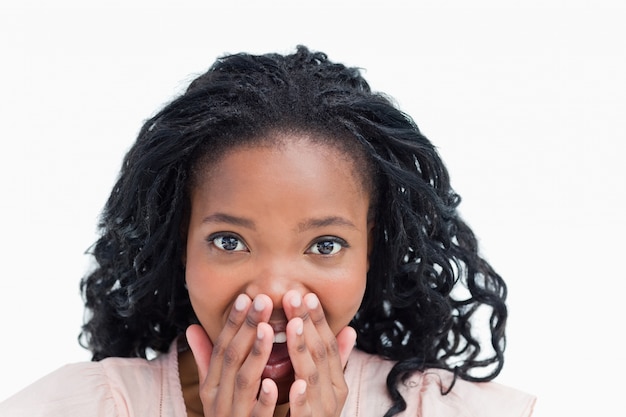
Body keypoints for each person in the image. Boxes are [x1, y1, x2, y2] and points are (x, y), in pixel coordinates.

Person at [0, 46, 535, 417]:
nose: (275, 292)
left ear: (373, 249)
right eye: (229, 241)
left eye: (325, 245)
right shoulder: (78, 405)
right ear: (180, 242)